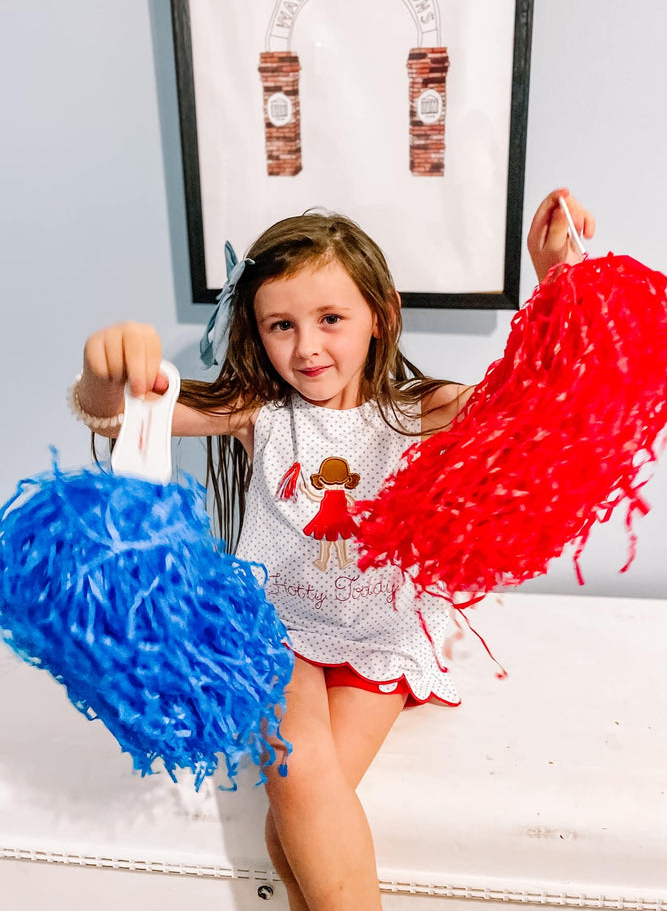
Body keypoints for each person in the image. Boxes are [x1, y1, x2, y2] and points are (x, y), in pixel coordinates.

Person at [73, 188, 595, 911]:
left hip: (379, 629)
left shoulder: (420, 409)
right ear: (257, 331)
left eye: (330, 320)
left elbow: (536, 400)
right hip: (276, 627)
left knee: (296, 812)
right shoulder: (257, 411)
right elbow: (115, 418)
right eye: (281, 325)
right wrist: (108, 374)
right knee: (297, 769)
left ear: (378, 317)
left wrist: (560, 280)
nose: (307, 347)